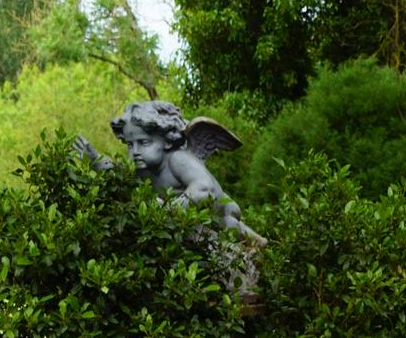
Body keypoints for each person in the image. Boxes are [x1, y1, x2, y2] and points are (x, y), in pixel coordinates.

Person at [76, 100, 265, 245]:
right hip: (190, 220)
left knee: (229, 226)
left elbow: (204, 188)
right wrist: (95, 160)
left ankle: (257, 242)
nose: (135, 151)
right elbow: (119, 175)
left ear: (166, 140)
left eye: (143, 142)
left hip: (220, 210)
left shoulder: (178, 159)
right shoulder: (141, 170)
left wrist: (173, 208)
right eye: (130, 145)